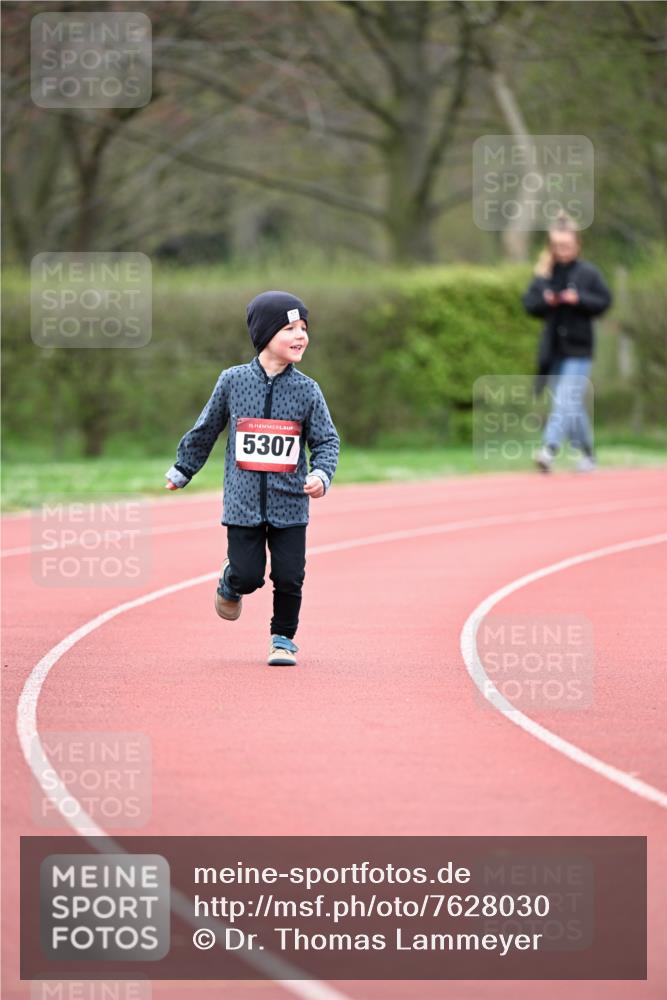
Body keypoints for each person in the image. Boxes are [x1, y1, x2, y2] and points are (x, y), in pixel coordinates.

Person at [165, 290, 340, 666]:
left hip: (290, 503)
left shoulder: (308, 390)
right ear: (265, 335)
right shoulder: (232, 381)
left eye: (304, 328)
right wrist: (184, 468)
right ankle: (231, 583)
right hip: (243, 504)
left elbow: (326, 440)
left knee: (290, 576)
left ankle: (283, 639)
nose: (300, 336)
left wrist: (322, 474)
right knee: (249, 576)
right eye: (290, 328)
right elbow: (207, 428)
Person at [522, 217, 612, 473]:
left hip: (579, 349)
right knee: (571, 405)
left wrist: (578, 299)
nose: (563, 251)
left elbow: (604, 301)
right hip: (553, 350)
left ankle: (548, 449)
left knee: (564, 400)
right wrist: (546, 300)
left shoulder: (588, 273)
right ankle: (588, 453)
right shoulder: (544, 275)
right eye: (558, 246)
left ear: (577, 245)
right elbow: (529, 304)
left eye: (567, 246)